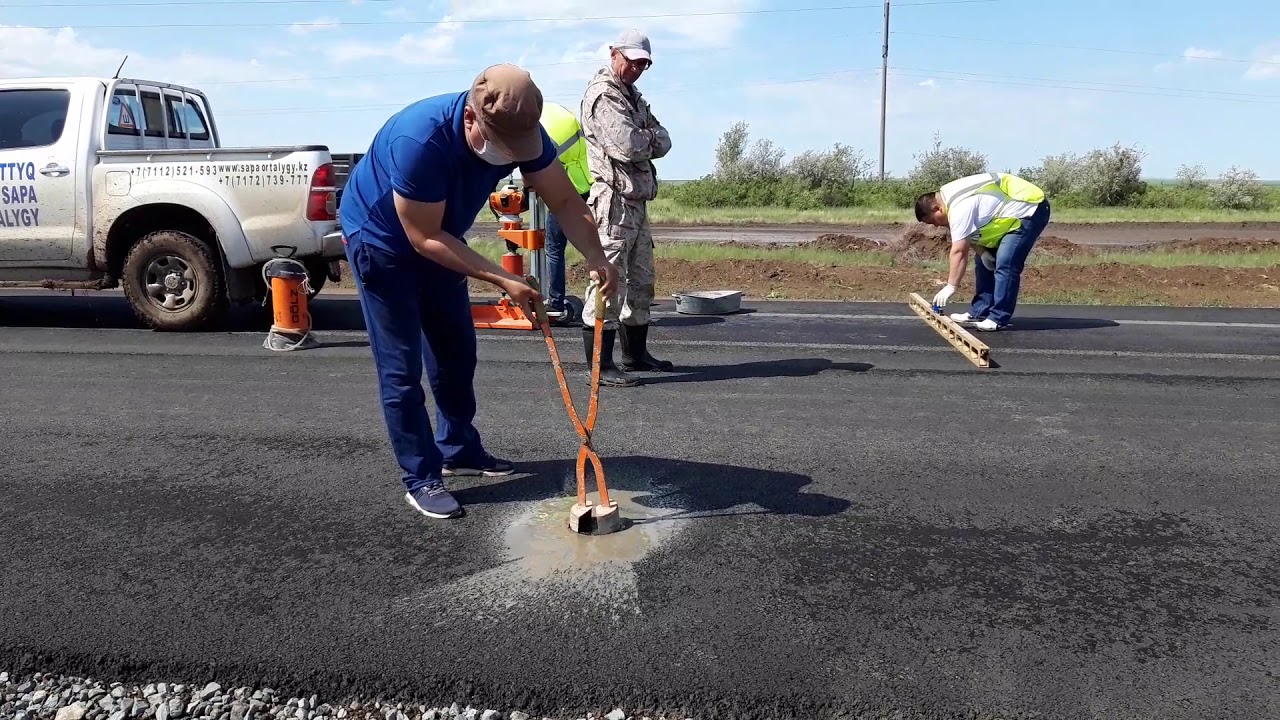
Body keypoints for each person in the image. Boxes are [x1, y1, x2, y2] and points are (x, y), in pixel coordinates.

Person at [338, 63, 619, 521]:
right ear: (471, 118)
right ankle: (421, 476)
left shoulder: (521, 130)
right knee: (402, 367)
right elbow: (422, 238)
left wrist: (597, 256)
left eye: (519, 150)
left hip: (440, 233)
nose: (511, 158)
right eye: (506, 148)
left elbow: (565, 200)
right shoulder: (420, 140)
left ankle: (458, 447)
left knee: (455, 350)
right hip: (383, 241)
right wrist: (502, 278)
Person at [578, 28, 673, 387]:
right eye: (633, 62)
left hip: (636, 201)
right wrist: (647, 135)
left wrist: (646, 136)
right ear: (614, 53)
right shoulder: (604, 95)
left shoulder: (632, 96)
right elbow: (627, 146)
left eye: (644, 65)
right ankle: (600, 366)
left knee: (642, 281)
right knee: (607, 283)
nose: (637, 69)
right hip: (614, 201)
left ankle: (635, 354)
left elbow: (664, 139)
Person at [914, 171, 1051, 331]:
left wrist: (951, 287)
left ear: (938, 209)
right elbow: (969, 233)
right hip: (1007, 214)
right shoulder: (948, 198)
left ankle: (998, 318)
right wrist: (983, 253)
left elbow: (959, 251)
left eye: (932, 221)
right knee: (984, 262)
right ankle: (980, 311)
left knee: (1006, 262)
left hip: (1029, 208)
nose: (936, 226)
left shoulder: (959, 208)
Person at [538, 101, 593, 321]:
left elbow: (537, 164)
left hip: (565, 192)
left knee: (554, 249)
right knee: (594, 246)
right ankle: (606, 300)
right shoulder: (562, 116)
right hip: (588, 185)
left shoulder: (541, 127)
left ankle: (556, 302)